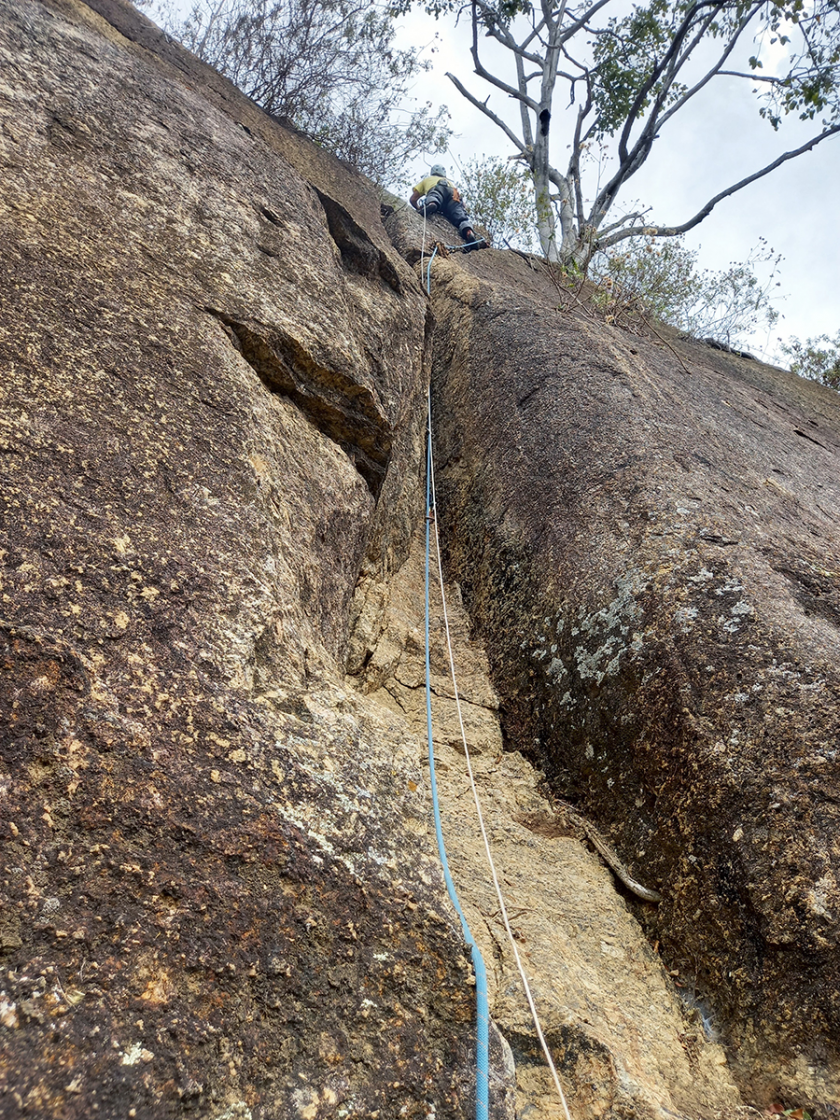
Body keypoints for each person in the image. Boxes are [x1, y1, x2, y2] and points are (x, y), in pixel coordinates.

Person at [409, 165, 481, 250]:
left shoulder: (428, 180)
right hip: (453, 194)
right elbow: (463, 205)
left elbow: (413, 199)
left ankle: (432, 203)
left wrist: (419, 208)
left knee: (435, 195)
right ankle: (468, 231)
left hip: (437, 189)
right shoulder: (450, 183)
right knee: (459, 214)